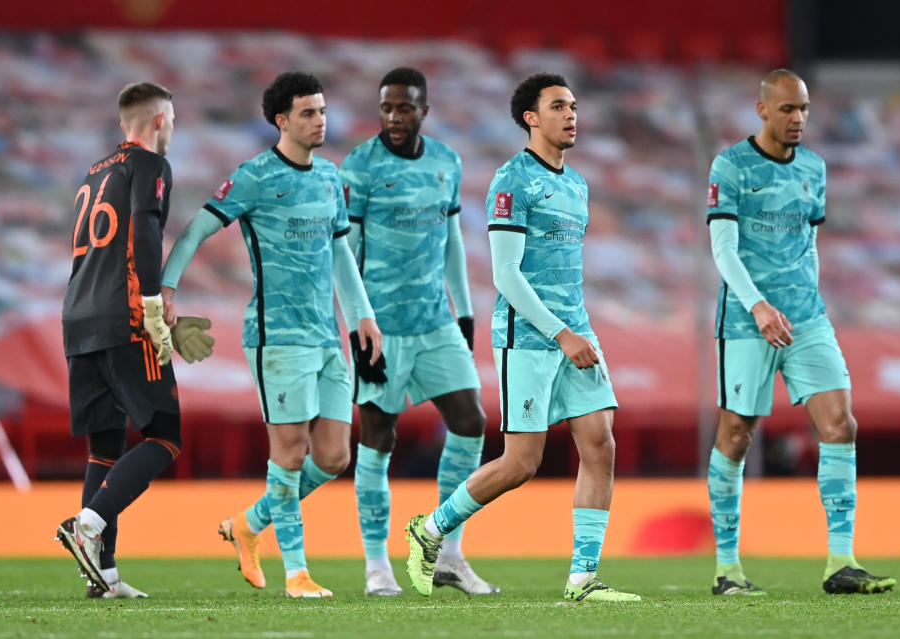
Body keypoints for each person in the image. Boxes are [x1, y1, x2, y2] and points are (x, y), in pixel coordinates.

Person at [403, 73, 641, 603]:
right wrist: (561, 335)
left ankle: (583, 578)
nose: (572, 114)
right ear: (531, 118)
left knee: (600, 444)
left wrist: (574, 330)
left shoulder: (577, 184)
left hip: (573, 330)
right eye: (558, 105)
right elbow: (506, 275)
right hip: (529, 338)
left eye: (574, 105)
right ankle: (430, 530)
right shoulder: (512, 181)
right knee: (522, 463)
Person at [161, 72, 381, 599]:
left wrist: (363, 317)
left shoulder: (330, 178)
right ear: (282, 120)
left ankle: (247, 525)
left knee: (332, 458)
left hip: (327, 338)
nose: (320, 120)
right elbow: (197, 228)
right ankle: (298, 574)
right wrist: (167, 289)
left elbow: (340, 255)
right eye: (308, 112)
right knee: (288, 451)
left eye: (323, 110)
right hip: (276, 337)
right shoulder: (254, 176)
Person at [705, 68, 896, 596]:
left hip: (806, 317)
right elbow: (723, 249)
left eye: (804, 109)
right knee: (737, 436)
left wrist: (809, 298)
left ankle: (841, 561)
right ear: (763, 109)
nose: (798, 119)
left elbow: (808, 245)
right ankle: (728, 569)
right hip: (747, 321)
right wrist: (759, 305)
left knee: (841, 424)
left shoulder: (814, 167)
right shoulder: (732, 165)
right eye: (788, 109)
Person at [340, 67, 496, 597]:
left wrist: (467, 311)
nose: (394, 117)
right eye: (386, 108)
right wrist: (357, 328)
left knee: (471, 421)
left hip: (434, 320)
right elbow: (348, 252)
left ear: (423, 110)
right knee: (379, 438)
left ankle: (447, 553)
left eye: (404, 108)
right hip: (381, 326)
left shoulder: (446, 162)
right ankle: (375, 566)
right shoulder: (360, 166)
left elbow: (452, 239)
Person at [56, 82, 214, 599]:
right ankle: (90, 522)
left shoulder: (93, 173)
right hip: (125, 316)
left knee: (104, 446)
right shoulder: (149, 166)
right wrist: (152, 307)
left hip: (79, 318)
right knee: (165, 435)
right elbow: (145, 234)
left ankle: (104, 574)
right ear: (160, 120)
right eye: (174, 122)